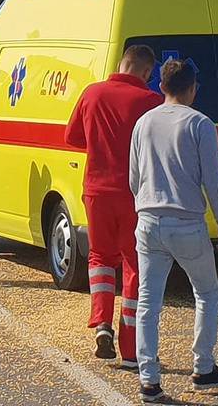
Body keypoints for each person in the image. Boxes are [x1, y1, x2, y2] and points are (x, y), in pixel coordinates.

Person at [129, 59, 218, 403]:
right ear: (193, 88)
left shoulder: (143, 123)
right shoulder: (200, 124)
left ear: (160, 86)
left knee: (149, 300)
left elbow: (134, 177)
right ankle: (203, 366)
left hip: (147, 221)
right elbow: (213, 181)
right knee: (206, 293)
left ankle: (149, 379)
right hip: (187, 221)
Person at [64, 45, 162, 368]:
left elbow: (72, 137)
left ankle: (101, 323)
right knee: (135, 265)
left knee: (100, 258)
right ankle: (131, 348)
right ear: (147, 73)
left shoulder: (92, 94)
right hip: (134, 195)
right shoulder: (150, 102)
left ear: (122, 63)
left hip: (96, 191)